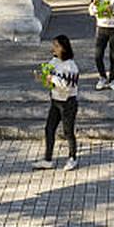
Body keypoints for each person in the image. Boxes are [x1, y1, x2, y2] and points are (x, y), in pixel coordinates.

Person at [35, 35, 81, 170]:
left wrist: (52, 79)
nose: (53, 49)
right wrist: (43, 76)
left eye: (56, 46)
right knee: (49, 129)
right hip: (55, 101)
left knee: (68, 131)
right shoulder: (54, 61)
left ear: (64, 48)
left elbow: (67, 87)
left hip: (68, 103)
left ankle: (72, 157)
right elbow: (48, 71)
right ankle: (48, 159)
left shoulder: (71, 67)